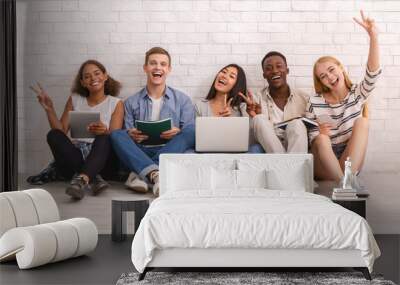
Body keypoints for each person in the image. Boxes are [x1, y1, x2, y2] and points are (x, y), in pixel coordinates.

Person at [30, 60, 124, 200]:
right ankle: (91, 178)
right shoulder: (75, 100)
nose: (93, 78)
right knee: (53, 134)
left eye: (97, 73)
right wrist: (49, 109)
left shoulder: (116, 103)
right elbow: (61, 131)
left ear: (105, 76)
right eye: (87, 76)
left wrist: (104, 131)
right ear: (82, 82)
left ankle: (82, 178)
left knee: (105, 137)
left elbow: (116, 138)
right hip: (75, 158)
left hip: (103, 162)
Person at [110, 47, 195, 195]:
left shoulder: (183, 100)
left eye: (163, 64)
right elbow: (127, 133)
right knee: (117, 135)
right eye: (153, 63)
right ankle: (156, 175)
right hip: (140, 150)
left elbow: (189, 133)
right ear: (145, 68)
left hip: (170, 148)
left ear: (169, 69)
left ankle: (140, 174)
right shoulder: (130, 102)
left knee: (192, 131)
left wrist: (178, 132)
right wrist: (131, 133)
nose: (158, 67)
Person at [307, 10, 381, 181]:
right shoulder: (314, 102)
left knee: (362, 122)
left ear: (340, 67)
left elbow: (373, 73)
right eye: (323, 77)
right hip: (324, 160)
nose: (330, 77)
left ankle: (343, 183)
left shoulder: (357, 93)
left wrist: (373, 37)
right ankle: (346, 184)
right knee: (322, 140)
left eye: (331, 70)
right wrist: (319, 133)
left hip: (350, 157)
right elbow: (312, 139)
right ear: (321, 82)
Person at [239, 51, 309, 153]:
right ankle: (287, 166)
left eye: (279, 66)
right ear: (264, 75)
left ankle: (285, 165)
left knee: (297, 124)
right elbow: (247, 138)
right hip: (267, 151)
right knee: (258, 119)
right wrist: (253, 115)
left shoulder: (304, 98)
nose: (275, 71)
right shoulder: (254, 100)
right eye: (268, 68)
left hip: (296, 148)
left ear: (287, 70)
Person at [194, 63, 263, 153]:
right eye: (223, 72)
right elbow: (195, 138)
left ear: (236, 84)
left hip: (237, 155)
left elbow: (251, 142)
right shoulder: (200, 106)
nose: (224, 76)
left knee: (257, 148)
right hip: (209, 154)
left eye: (231, 76)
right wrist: (218, 123)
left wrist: (253, 116)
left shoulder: (243, 108)